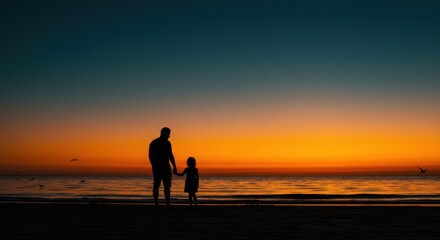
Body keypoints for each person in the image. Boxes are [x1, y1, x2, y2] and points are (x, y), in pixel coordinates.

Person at [148, 127, 178, 207]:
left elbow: (171, 155)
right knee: (157, 185)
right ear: (164, 133)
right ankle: (157, 203)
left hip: (166, 167)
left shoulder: (168, 143)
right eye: (168, 134)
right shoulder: (154, 143)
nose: (169, 136)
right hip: (158, 167)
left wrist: (174, 166)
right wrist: (153, 165)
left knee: (166, 186)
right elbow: (150, 156)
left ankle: (166, 203)